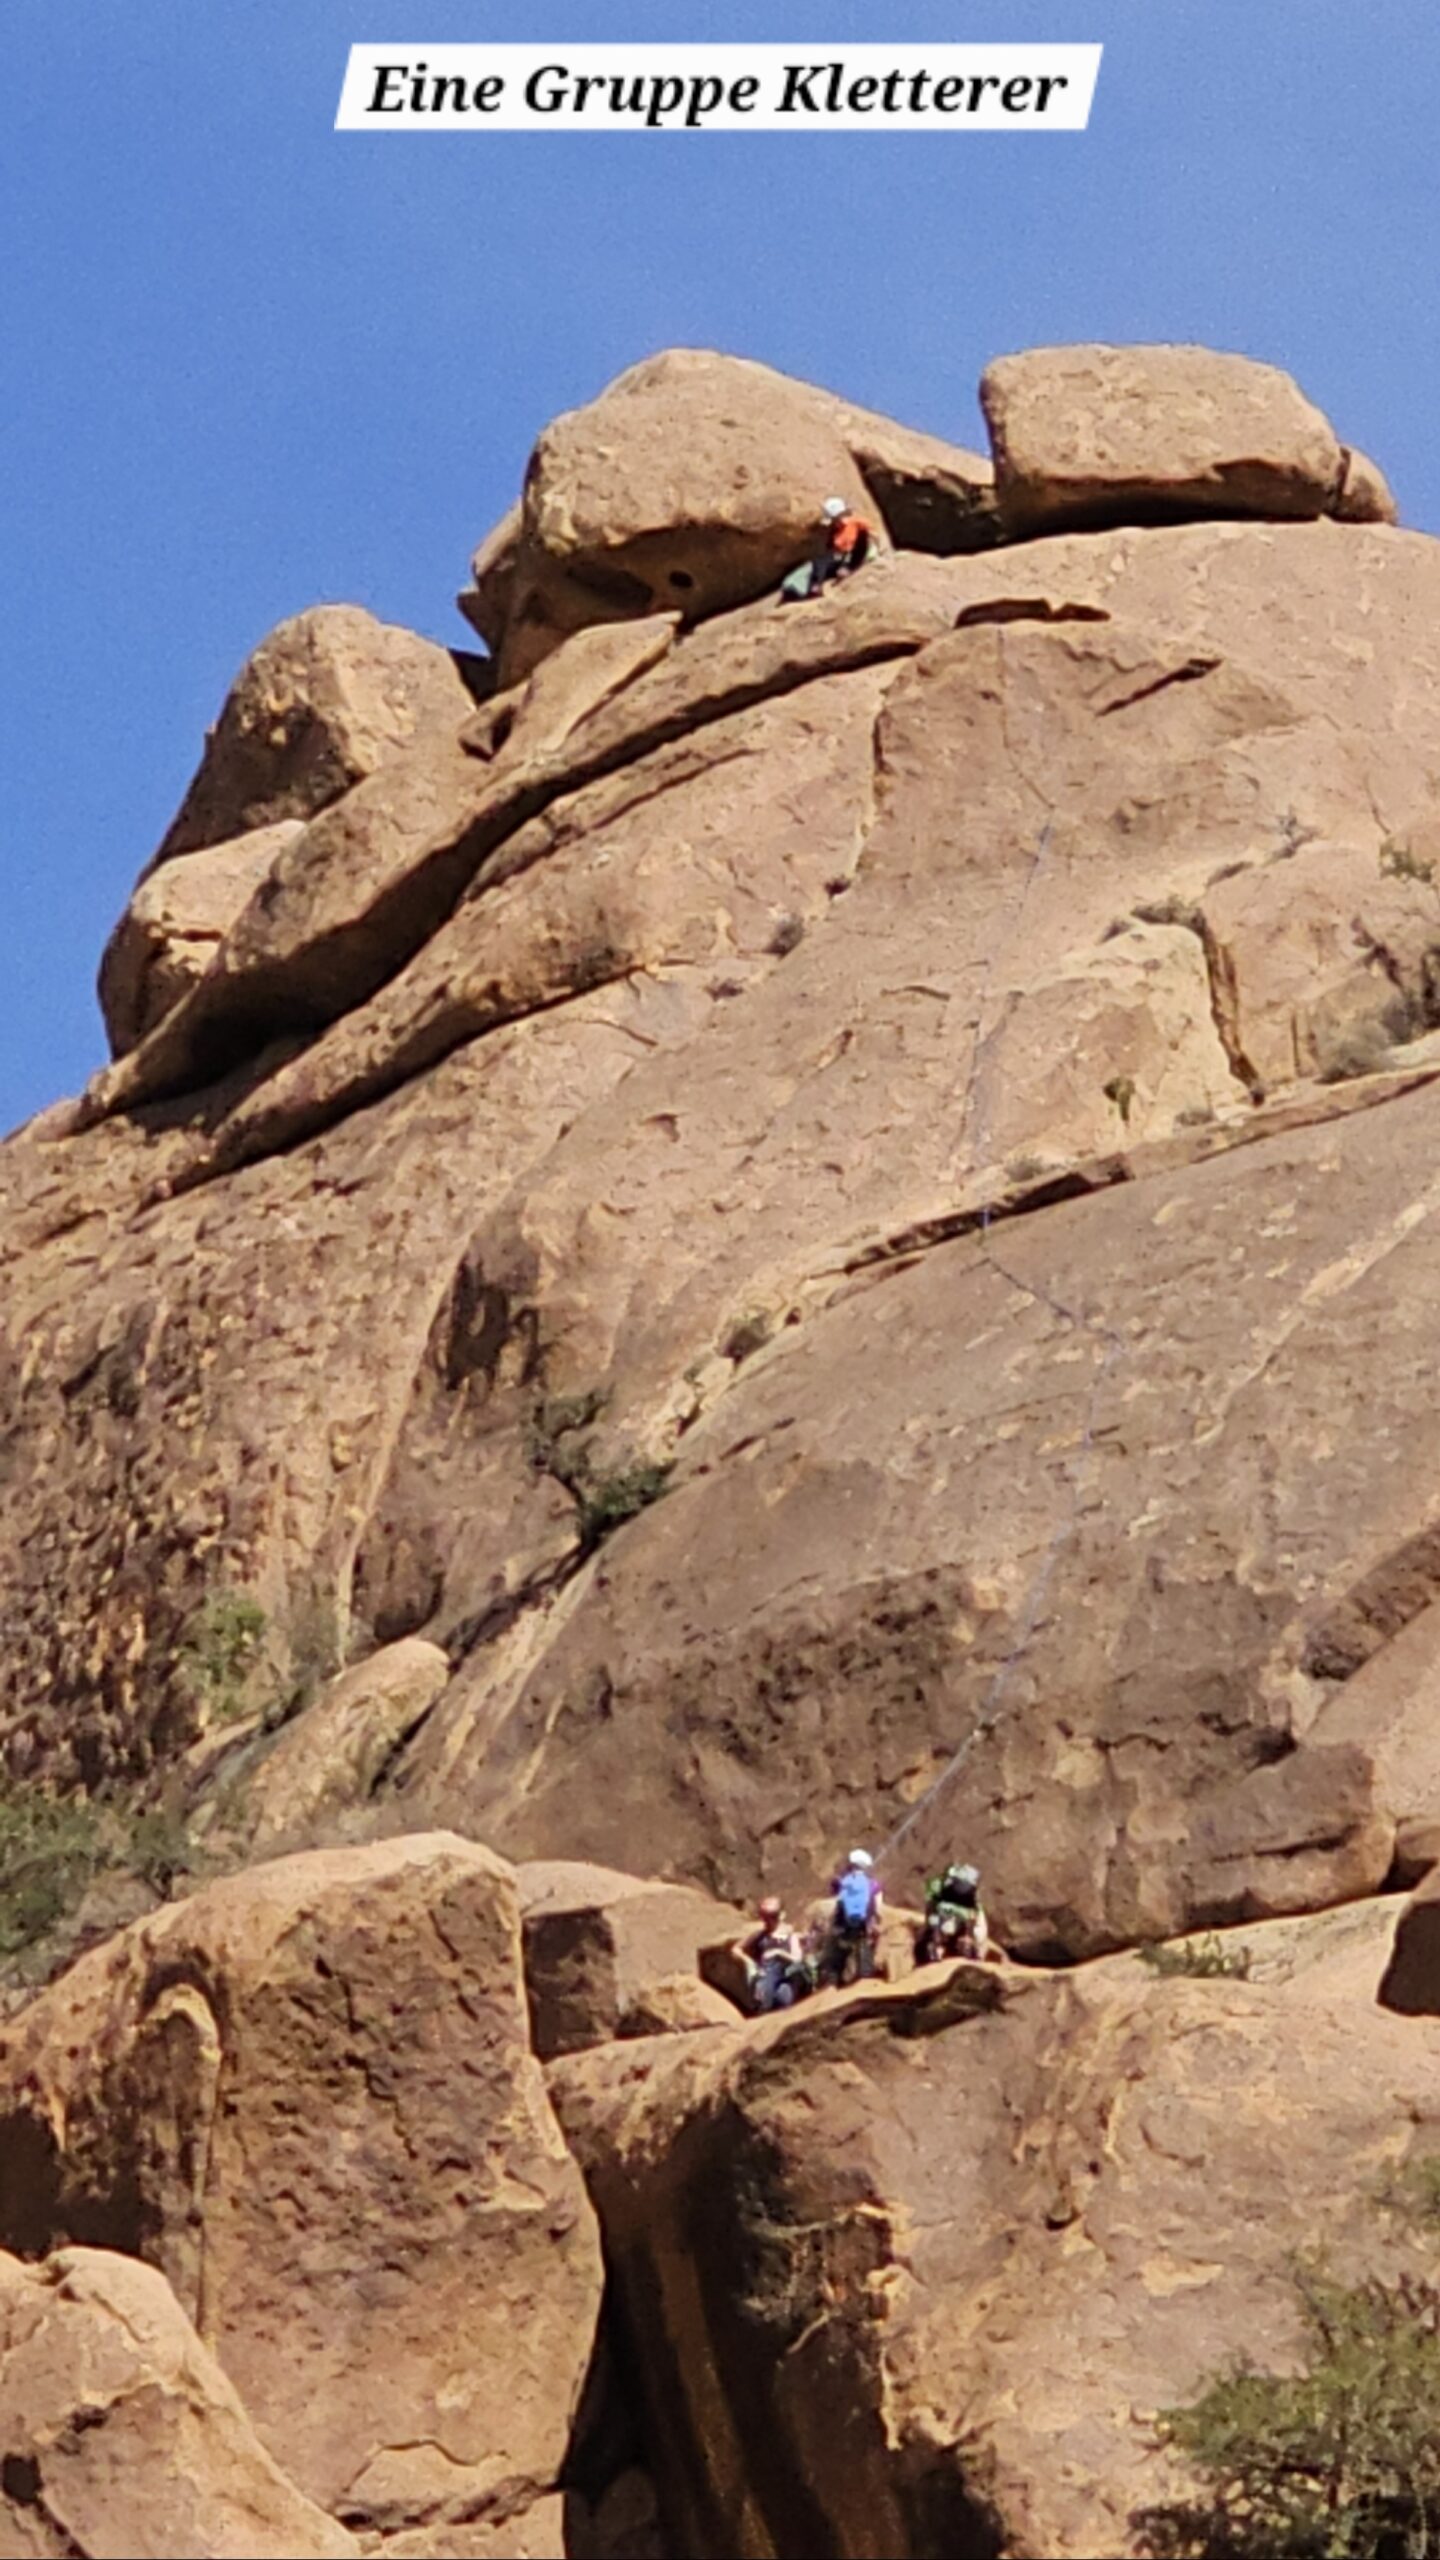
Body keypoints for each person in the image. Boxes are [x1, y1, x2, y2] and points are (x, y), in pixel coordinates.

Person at [778, 496, 878, 603]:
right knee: (817, 563)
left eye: (834, 520)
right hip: (839, 560)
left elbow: (872, 537)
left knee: (824, 560)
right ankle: (808, 587)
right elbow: (831, 551)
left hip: (853, 558)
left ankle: (818, 585)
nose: (834, 523)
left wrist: (871, 551)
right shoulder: (836, 531)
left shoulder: (857, 524)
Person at [732, 1895, 810, 2015]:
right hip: (766, 1976)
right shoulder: (760, 1935)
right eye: (765, 1916)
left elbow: (797, 1959)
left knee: (777, 1972)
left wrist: (778, 1953)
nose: (768, 1921)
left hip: (787, 1976)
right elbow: (736, 1949)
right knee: (774, 1984)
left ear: (781, 1915)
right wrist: (748, 1962)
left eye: (772, 1916)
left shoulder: (791, 1936)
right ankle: (764, 2003)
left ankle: (765, 2004)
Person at [821, 1848, 884, 1987]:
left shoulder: (844, 1882)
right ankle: (866, 1977)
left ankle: (832, 1981)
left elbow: (837, 1901)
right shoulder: (873, 1885)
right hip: (862, 1924)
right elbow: (879, 1909)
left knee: (839, 1950)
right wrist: (874, 1922)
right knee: (863, 1947)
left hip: (843, 1924)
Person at [917, 1863, 990, 1966]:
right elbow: (930, 1911)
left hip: (960, 1932)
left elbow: (980, 1933)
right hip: (943, 1926)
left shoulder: (974, 1909)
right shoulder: (938, 1893)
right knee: (933, 1935)